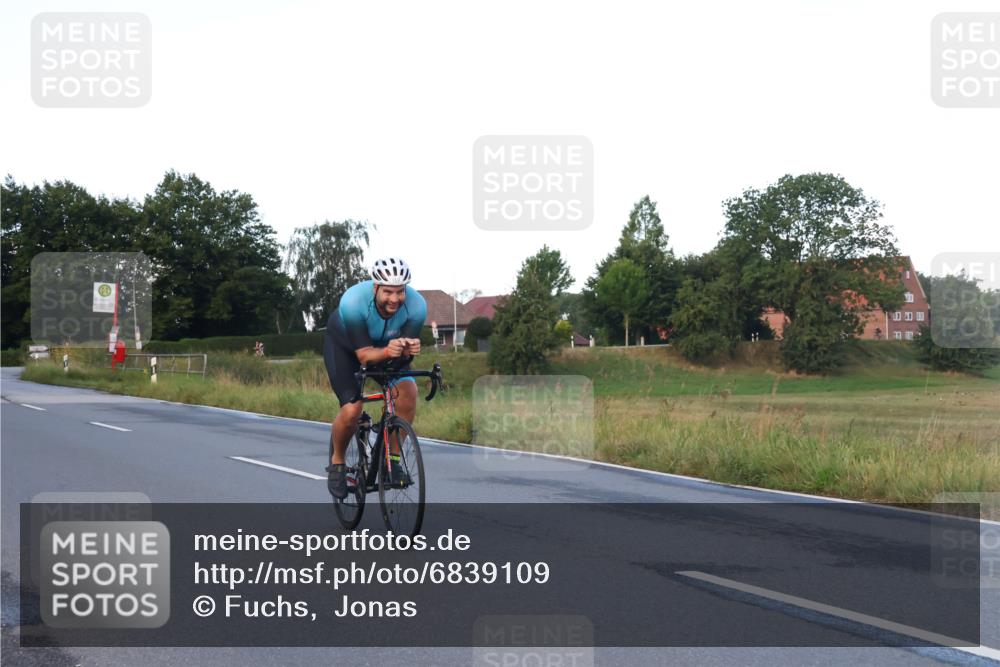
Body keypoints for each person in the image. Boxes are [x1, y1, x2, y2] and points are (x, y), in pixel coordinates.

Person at [323, 257, 427, 500]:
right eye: (388, 291)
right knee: (352, 411)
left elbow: (401, 357)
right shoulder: (352, 302)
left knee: (408, 392)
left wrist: (409, 349)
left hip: (384, 348)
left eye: (400, 292)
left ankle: (391, 460)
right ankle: (337, 462)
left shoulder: (417, 306)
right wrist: (390, 350)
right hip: (346, 348)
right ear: (375, 288)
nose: (395, 299)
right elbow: (364, 355)